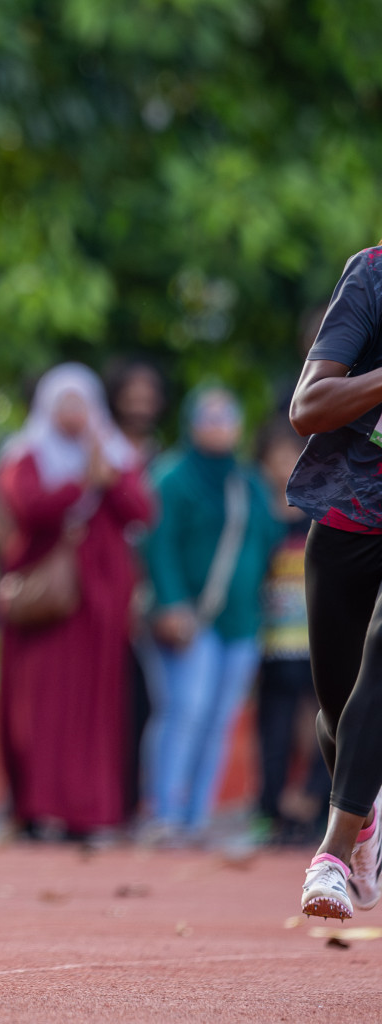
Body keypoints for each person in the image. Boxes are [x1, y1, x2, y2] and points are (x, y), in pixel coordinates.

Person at [0, 364, 152, 841]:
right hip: (49, 607)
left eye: (80, 403)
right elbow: (28, 508)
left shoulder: (114, 453)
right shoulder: (26, 454)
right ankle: (40, 808)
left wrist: (109, 477)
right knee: (41, 710)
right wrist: (83, 482)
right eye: (63, 403)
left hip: (100, 608)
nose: (73, 414)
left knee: (94, 712)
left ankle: (89, 810)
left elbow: (142, 511)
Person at [286, 245, 382, 919]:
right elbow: (308, 406)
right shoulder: (372, 275)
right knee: (337, 712)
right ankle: (368, 821)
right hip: (350, 510)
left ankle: (332, 855)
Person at [142, 387, 281, 845]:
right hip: (190, 620)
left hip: (241, 622)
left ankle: (197, 816)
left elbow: (270, 536)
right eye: (210, 417)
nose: (219, 427)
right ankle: (165, 812)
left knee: (220, 719)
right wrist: (171, 603)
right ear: (192, 423)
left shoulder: (247, 482)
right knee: (186, 709)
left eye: (227, 417)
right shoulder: (172, 478)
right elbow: (158, 545)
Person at [252, 416, 329, 846]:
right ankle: (271, 806)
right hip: (269, 641)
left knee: (322, 721)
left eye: (291, 455)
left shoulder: (321, 506)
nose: (284, 465)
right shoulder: (255, 512)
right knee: (274, 726)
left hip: (316, 640)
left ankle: (314, 802)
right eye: (276, 457)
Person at [103, 359, 168, 824]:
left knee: (146, 700)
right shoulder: (100, 448)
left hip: (149, 588)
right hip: (104, 586)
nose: (140, 401)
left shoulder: (162, 458)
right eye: (133, 391)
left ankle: (134, 799)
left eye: (148, 393)